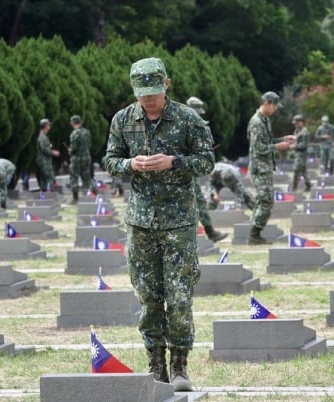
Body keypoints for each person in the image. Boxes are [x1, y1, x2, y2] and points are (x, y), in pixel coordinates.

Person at [105, 57, 214, 391]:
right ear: (134, 89)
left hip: (178, 220)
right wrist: (130, 164)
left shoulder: (187, 118)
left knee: (179, 296)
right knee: (149, 298)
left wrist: (173, 161)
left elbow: (207, 160)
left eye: (153, 91)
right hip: (140, 222)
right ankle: (156, 366)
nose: (148, 99)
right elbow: (110, 160)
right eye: (142, 92)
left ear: (167, 84)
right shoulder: (123, 119)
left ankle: (179, 366)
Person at [247, 92, 295, 245]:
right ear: (266, 103)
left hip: (265, 167)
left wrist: (283, 139)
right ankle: (254, 234)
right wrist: (277, 146)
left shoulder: (264, 120)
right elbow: (259, 147)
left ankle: (254, 235)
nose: (275, 109)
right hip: (259, 168)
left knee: (263, 200)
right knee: (266, 200)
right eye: (274, 106)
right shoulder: (256, 122)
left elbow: (267, 141)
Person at [186, 96, 228, 242]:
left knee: (195, 202)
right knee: (197, 201)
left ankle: (209, 232)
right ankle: (210, 232)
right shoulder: (186, 125)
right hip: (186, 171)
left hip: (189, 169)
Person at [68, 115, 96, 204]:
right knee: (87, 177)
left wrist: (70, 151)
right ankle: (94, 191)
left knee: (74, 177)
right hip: (86, 157)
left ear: (72, 123)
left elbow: (74, 148)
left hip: (76, 159)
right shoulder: (87, 132)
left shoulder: (74, 133)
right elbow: (89, 144)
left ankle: (75, 198)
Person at [35, 118, 60, 191]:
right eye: (48, 124)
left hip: (45, 160)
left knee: (44, 179)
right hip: (44, 161)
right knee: (49, 177)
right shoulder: (42, 137)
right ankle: (50, 194)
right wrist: (53, 152)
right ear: (46, 126)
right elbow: (44, 149)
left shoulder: (44, 136)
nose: (49, 126)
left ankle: (45, 194)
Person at [290, 114, 312, 192]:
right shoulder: (296, 131)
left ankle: (294, 187)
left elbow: (304, 144)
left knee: (296, 169)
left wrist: (295, 146)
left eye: (296, 123)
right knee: (303, 170)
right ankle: (308, 185)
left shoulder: (304, 132)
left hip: (302, 154)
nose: (295, 125)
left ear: (301, 122)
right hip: (297, 153)